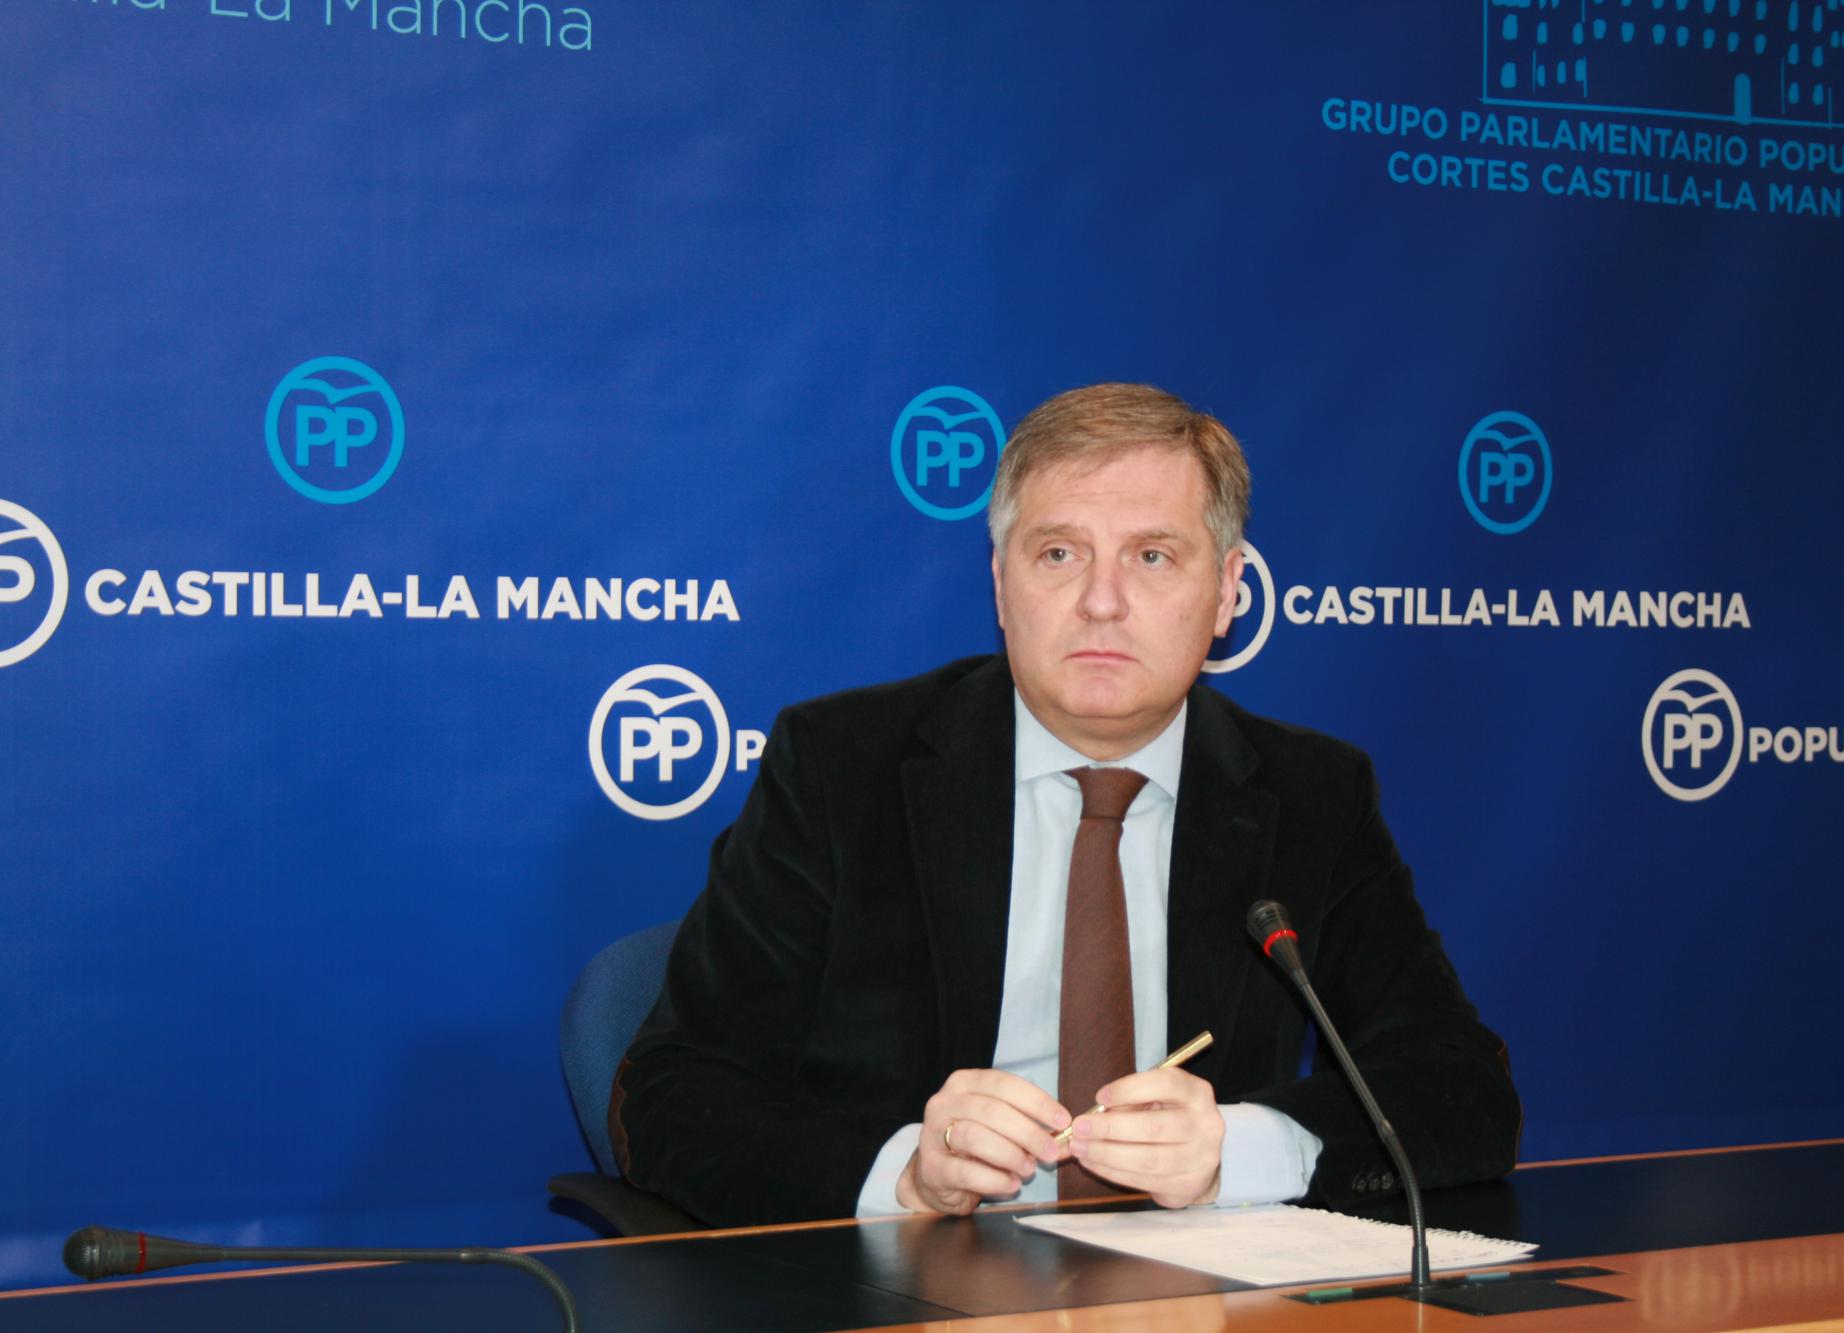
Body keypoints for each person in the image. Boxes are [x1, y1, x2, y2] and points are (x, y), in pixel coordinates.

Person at [612, 383, 1519, 1226]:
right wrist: (906, 1173)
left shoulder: (1313, 794)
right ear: (1001, 585)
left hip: (1200, 1295)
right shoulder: (840, 767)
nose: (1101, 602)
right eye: (1058, 554)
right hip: (908, 1289)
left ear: (1227, 593)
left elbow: (1461, 1088)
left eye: (1152, 556)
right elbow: (672, 1091)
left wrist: (1236, 1149)